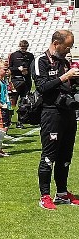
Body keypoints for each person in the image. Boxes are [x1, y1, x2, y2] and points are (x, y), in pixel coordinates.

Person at [33, 30, 79, 209]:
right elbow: (42, 87)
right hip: (51, 113)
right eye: (67, 46)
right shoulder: (41, 61)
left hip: (68, 113)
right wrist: (64, 77)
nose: (69, 50)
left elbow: (68, 85)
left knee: (65, 155)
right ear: (56, 42)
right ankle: (44, 196)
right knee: (49, 156)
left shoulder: (65, 62)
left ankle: (61, 192)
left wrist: (73, 79)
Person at [8, 40, 34, 127]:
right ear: (19, 46)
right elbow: (10, 68)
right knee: (12, 101)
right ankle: (8, 120)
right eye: (22, 48)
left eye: (25, 48)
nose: (24, 50)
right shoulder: (14, 55)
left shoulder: (30, 56)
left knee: (24, 102)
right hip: (16, 80)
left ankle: (21, 121)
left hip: (26, 81)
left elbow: (32, 68)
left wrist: (27, 71)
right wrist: (18, 69)